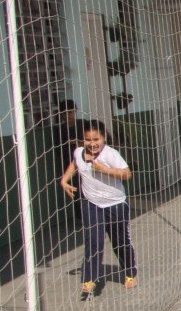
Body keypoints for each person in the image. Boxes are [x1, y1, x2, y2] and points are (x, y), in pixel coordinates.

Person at [59, 119, 137, 301]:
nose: (92, 143)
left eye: (96, 139)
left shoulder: (111, 155)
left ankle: (130, 272)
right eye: (88, 140)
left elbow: (127, 174)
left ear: (104, 138)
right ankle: (89, 280)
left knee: (120, 241)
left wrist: (104, 170)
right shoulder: (78, 152)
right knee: (93, 241)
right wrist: (64, 180)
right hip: (91, 203)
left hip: (115, 203)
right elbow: (75, 164)